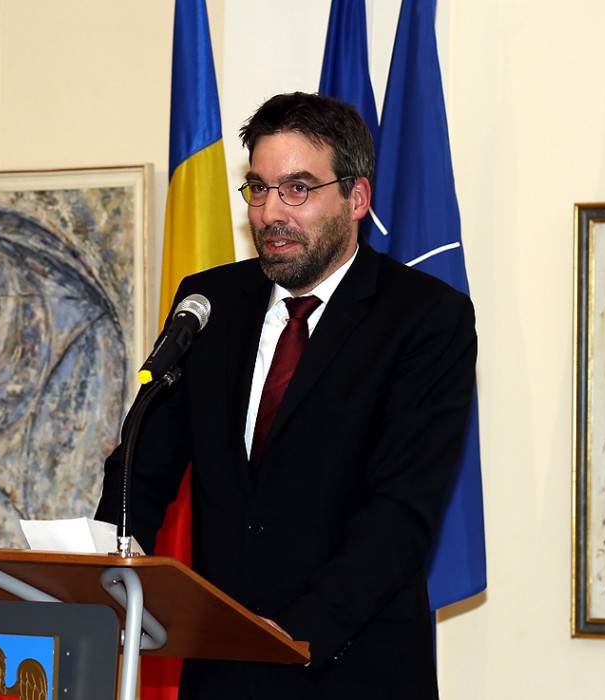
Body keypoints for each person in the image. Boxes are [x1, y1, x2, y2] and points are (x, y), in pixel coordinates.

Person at [96, 92, 477, 699]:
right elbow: (143, 468)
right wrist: (99, 586)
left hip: (350, 667)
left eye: (297, 188)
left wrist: (294, 635)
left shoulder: (425, 319)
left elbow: (400, 511)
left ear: (357, 197)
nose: (271, 211)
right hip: (221, 668)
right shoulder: (209, 304)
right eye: (259, 188)